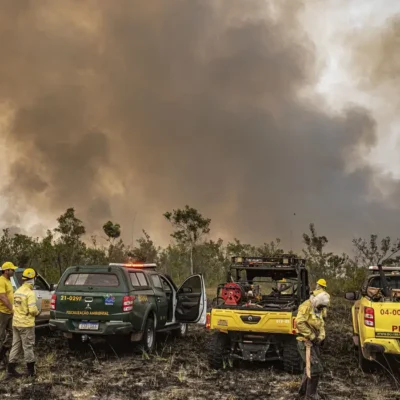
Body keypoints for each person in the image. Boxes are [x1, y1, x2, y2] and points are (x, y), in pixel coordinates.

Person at [295, 291, 330, 399]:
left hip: (314, 342)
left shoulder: (320, 309)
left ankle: (303, 391)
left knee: (310, 367)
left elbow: (321, 325)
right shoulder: (306, 306)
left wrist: (320, 337)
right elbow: (299, 323)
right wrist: (311, 336)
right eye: (320, 306)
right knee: (316, 368)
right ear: (316, 301)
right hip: (305, 341)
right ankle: (310, 395)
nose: (321, 309)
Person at [7, 268, 40, 378]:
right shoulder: (30, 293)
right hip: (26, 324)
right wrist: (37, 312)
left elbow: (14, 307)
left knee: (15, 345)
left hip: (16, 323)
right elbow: (32, 310)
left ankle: (10, 369)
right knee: (28, 347)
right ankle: (31, 372)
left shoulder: (17, 291)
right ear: (32, 279)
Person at [0, 262, 18, 368]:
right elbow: (2, 297)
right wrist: (12, 309)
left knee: (13, 334)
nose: (13, 271)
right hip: (2, 312)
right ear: (6, 270)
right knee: (0, 336)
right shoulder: (1, 280)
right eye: (12, 269)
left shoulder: (8, 280)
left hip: (10, 312)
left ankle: (2, 354)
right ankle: (1, 360)